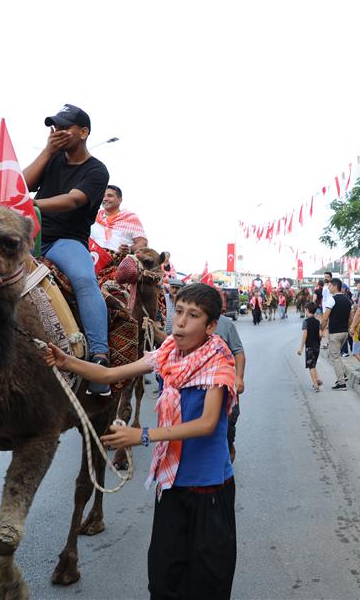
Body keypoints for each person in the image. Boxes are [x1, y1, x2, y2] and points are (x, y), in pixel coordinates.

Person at [44, 283, 238, 599]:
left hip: (210, 491)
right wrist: (67, 361)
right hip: (171, 487)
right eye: (178, 311)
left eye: (193, 315)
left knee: (208, 585)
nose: (180, 322)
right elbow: (109, 375)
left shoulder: (218, 362)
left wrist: (143, 435)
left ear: (211, 326)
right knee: (163, 581)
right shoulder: (168, 353)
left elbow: (206, 424)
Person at [24, 104, 112, 395]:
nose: (57, 132)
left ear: (83, 132)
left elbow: (74, 200)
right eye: (55, 127)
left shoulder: (96, 170)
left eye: (64, 127)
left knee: (84, 280)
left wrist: (32, 204)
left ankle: (99, 357)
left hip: (66, 241)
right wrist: (47, 151)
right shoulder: (51, 159)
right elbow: (22, 184)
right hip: (31, 239)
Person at [88, 184, 149, 273]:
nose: (105, 199)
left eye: (110, 196)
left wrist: (129, 249)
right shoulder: (94, 217)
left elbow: (142, 243)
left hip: (120, 267)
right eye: (103, 196)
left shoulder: (130, 218)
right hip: (93, 263)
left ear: (120, 200)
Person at [214, 295, 246, 463]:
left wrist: (239, 377)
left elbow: (238, 352)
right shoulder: (189, 323)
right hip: (199, 384)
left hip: (224, 383)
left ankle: (229, 443)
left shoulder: (226, 324)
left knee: (230, 420)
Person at [321, 278, 352, 391]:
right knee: (336, 355)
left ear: (335, 286)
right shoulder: (348, 300)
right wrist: (348, 327)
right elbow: (350, 317)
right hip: (344, 332)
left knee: (334, 356)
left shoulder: (332, 299)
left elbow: (325, 317)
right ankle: (343, 375)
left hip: (335, 332)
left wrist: (321, 329)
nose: (328, 288)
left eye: (330, 286)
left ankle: (341, 382)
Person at [298, 302, 323, 391]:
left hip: (309, 347)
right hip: (317, 347)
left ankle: (315, 384)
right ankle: (318, 379)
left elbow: (305, 335)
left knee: (311, 366)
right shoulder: (317, 322)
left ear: (307, 310)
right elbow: (321, 335)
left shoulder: (306, 322)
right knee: (314, 364)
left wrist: (301, 348)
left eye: (305, 310)